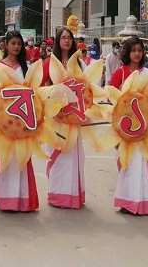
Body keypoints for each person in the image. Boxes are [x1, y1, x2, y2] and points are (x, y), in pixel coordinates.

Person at [0, 31, 39, 212]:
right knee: (5, 158)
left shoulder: (26, 67)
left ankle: (22, 198)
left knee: (21, 158)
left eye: (19, 43)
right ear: (6, 45)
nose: (16, 47)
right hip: (4, 122)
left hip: (22, 123)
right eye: (13, 43)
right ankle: (6, 199)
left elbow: (34, 93)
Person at [109, 37, 148, 216]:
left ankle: (142, 201)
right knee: (126, 162)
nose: (137, 53)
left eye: (140, 50)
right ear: (127, 53)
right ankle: (126, 201)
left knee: (142, 162)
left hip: (144, 128)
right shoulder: (119, 73)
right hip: (124, 129)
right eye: (133, 50)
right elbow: (110, 97)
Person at [41, 27, 86, 209]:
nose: (67, 41)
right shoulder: (49, 63)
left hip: (74, 118)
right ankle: (57, 195)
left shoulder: (80, 64)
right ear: (58, 41)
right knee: (57, 156)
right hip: (56, 119)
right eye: (63, 37)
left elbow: (86, 87)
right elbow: (41, 87)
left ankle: (73, 195)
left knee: (74, 155)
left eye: (69, 38)